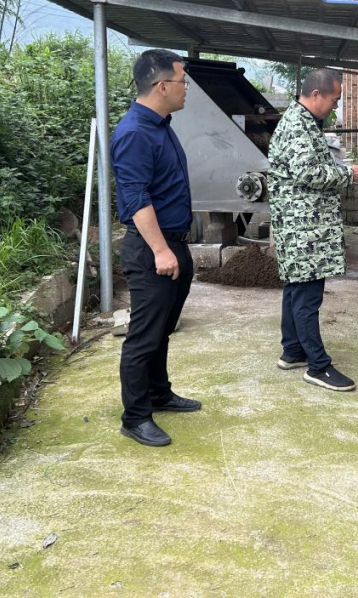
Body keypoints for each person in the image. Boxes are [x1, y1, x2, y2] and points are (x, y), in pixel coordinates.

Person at [111, 49, 202, 447]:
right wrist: (162, 251)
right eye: (183, 82)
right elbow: (136, 199)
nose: (186, 89)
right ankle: (135, 417)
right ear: (162, 85)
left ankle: (159, 393)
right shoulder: (135, 133)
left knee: (162, 328)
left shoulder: (160, 126)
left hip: (172, 244)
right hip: (153, 249)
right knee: (144, 336)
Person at [268, 68, 358, 392]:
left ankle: (293, 350)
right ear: (315, 95)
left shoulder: (302, 121)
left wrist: (340, 170)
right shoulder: (298, 125)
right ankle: (318, 366)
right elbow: (308, 172)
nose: (335, 106)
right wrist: (348, 175)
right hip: (304, 228)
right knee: (307, 296)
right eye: (334, 100)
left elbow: (307, 167)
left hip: (301, 225)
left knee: (296, 288)